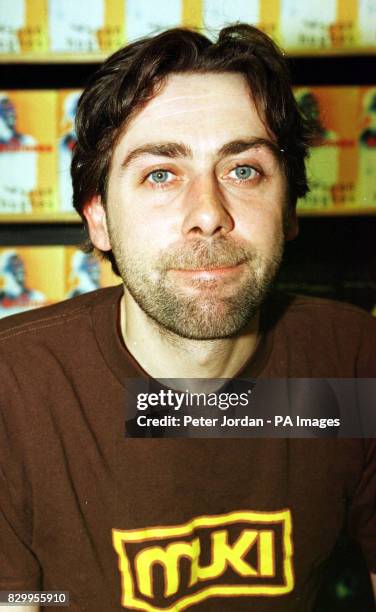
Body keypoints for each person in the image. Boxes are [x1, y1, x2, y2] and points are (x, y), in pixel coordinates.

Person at [0, 25, 375, 612]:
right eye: (160, 174)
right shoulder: (13, 388)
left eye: (243, 170)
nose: (207, 214)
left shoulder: (353, 365)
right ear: (98, 218)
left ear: (291, 206)